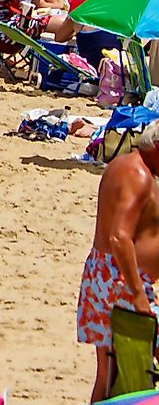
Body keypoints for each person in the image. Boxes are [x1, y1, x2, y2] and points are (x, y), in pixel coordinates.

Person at [86, 108, 159, 396]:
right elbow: (119, 236)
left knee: (109, 373)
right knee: (132, 371)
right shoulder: (137, 175)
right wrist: (139, 295)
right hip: (121, 281)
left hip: (105, 274)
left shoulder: (127, 166)